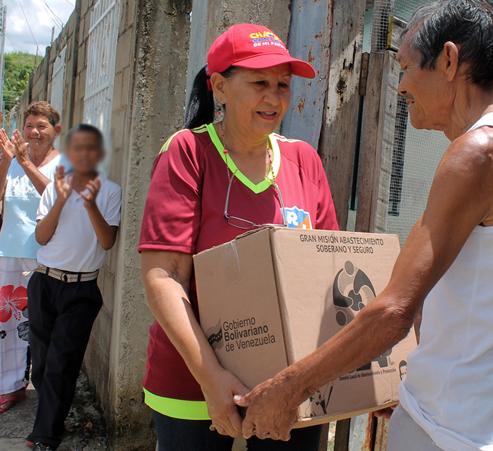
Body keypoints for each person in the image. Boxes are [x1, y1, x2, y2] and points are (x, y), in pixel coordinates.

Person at [237, 2, 493, 451]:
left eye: (407, 67)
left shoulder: (479, 153)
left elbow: (394, 310)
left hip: (449, 430)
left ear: (449, 61)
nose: (402, 84)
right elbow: (471, 294)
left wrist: (289, 389)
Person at [138, 23, 338, 451]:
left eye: (283, 85)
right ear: (219, 88)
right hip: (191, 383)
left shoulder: (305, 161)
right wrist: (212, 379)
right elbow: (164, 277)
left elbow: (329, 273)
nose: (274, 97)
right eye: (260, 82)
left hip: (287, 386)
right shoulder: (188, 153)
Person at [26, 124, 121, 451]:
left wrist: (90, 203)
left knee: (61, 363)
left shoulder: (110, 191)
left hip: (81, 291)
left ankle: (45, 437)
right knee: (40, 362)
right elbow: (41, 237)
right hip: (44, 282)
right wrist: (62, 198)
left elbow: (107, 241)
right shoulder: (55, 189)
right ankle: (47, 420)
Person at [0, 101, 62, 414]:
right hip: (10, 253)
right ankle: (10, 387)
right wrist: (6, 162)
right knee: (7, 323)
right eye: (29, 125)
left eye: (41, 126)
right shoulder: (13, 161)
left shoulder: (63, 164)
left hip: (47, 257)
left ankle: (47, 392)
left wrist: (25, 164)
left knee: (43, 328)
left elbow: (55, 197)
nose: (34, 132)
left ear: (55, 131)